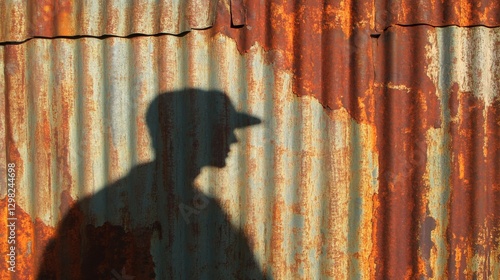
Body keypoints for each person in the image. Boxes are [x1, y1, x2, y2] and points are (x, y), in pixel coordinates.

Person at [37, 89, 266, 279]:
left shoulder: (199, 203)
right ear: (192, 134)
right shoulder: (120, 207)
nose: (233, 139)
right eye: (224, 129)